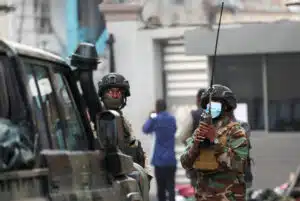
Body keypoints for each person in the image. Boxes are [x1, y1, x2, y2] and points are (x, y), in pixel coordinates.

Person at [180, 84, 250, 201]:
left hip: (228, 197)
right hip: (203, 196)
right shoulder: (200, 130)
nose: (211, 107)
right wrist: (195, 146)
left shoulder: (236, 131)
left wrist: (215, 141)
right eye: (208, 104)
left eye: (215, 103)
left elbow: (239, 164)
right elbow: (185, 163)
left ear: (226, 106)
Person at [97, 72, 147, 167]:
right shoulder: (95, 118)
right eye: (111, 92)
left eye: (118, 92)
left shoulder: (124, 121)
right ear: (103, 95)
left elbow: (134, 149)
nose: (115, 96)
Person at [142, 99, 177, 201]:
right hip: (171, 160)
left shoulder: (155, 119)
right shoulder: (172, 119)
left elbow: (145, 129)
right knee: (171, 188)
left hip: (159, 160)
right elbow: (175, 129)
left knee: (161, 189)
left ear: (157, 108)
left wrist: (151, 117)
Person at [177, 88, 205, 189]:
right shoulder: (218, 115)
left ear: (198, 100)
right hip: (217, 167)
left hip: (197, 166)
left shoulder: (194, 115)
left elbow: (183, 137)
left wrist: (192, 144)